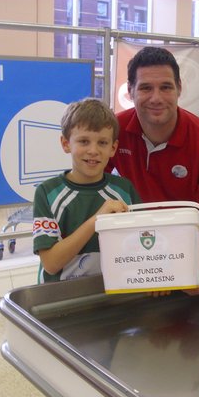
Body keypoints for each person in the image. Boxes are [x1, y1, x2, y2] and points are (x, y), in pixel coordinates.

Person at [110, 46, 199, 296]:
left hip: (189, 251)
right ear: (130, 91)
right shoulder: (114, 131)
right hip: (136, 251)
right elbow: (85, 186)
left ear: (179, 89)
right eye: (145, 88)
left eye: (165, 87)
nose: (156, 98)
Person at [33, 98, 141, 283]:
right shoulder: (47, 193)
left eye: (102, 143)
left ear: (113, 148)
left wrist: (155, 277)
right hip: (59, 298)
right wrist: (96, 221)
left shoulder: (125, 189)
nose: (93, 150)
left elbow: (141, 245)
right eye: (83, 141)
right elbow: (51, 263)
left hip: (113, 293)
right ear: (66, 144)